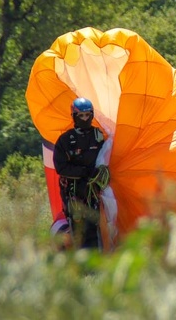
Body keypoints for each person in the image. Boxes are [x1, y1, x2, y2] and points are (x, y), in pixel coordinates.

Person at [53, 97, 110, 249]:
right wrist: (85, 172)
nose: (85, 119)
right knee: (79, 227)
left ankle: (94, 263)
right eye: (81, 116)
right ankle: (81, 263)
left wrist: (99, 174)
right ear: (74, 117)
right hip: (74, 191)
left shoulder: (98, 137)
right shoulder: (65, 141)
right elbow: (61, 167)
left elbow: (107, 157)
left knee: (93, 224)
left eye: (87, 115)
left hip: (93, 191)